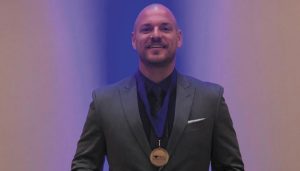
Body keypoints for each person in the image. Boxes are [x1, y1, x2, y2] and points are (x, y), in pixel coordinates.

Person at [71, 3, 244, 171]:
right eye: (146, 29)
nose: (155, 35)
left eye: (165, 28)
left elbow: (230, 167)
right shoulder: (104, 102)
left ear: (179, 38)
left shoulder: (210, 99)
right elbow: (84, 166)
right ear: (133, 40)